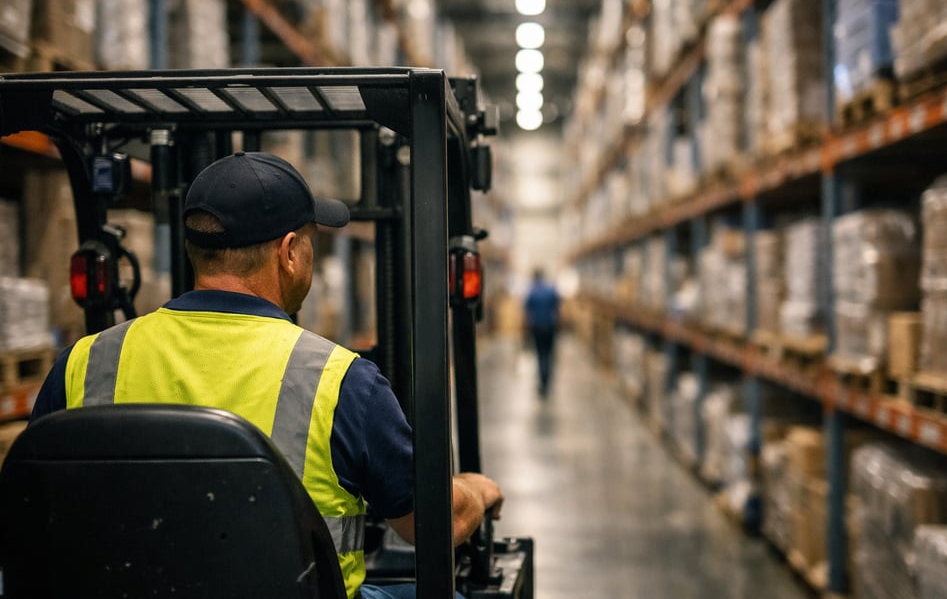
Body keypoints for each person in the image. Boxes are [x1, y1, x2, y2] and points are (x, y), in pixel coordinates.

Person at [31, 151, 503, 599]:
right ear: (290, 252)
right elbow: (435, 524)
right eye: (313, 242)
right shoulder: (340, 382)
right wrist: (476, 492)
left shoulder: (84, 364)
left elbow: (31, 517)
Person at [523, 268, 561, 397]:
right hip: (550, 326)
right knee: (549, 354)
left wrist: (527, 328)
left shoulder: (532, 292)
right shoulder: (551, 290)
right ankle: (547, 380)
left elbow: (528, 312)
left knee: (540, 354)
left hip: (537, 327)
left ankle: (543, 381)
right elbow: (557, 309)